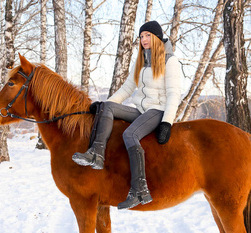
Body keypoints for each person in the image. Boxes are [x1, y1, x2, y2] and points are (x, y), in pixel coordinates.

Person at [72, 20, 182, 210]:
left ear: (156, 37)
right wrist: (105, 104)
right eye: (141, 36)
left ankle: (139, 190)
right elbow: (127, 88)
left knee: (130, 134)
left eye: (147, 35)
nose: (144, 40)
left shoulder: (169, 60)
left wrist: (167, 122)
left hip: (158, 110)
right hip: (140, 109)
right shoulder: (140, 61)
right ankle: (96, 154)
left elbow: (174, 93)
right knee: (107, 107)